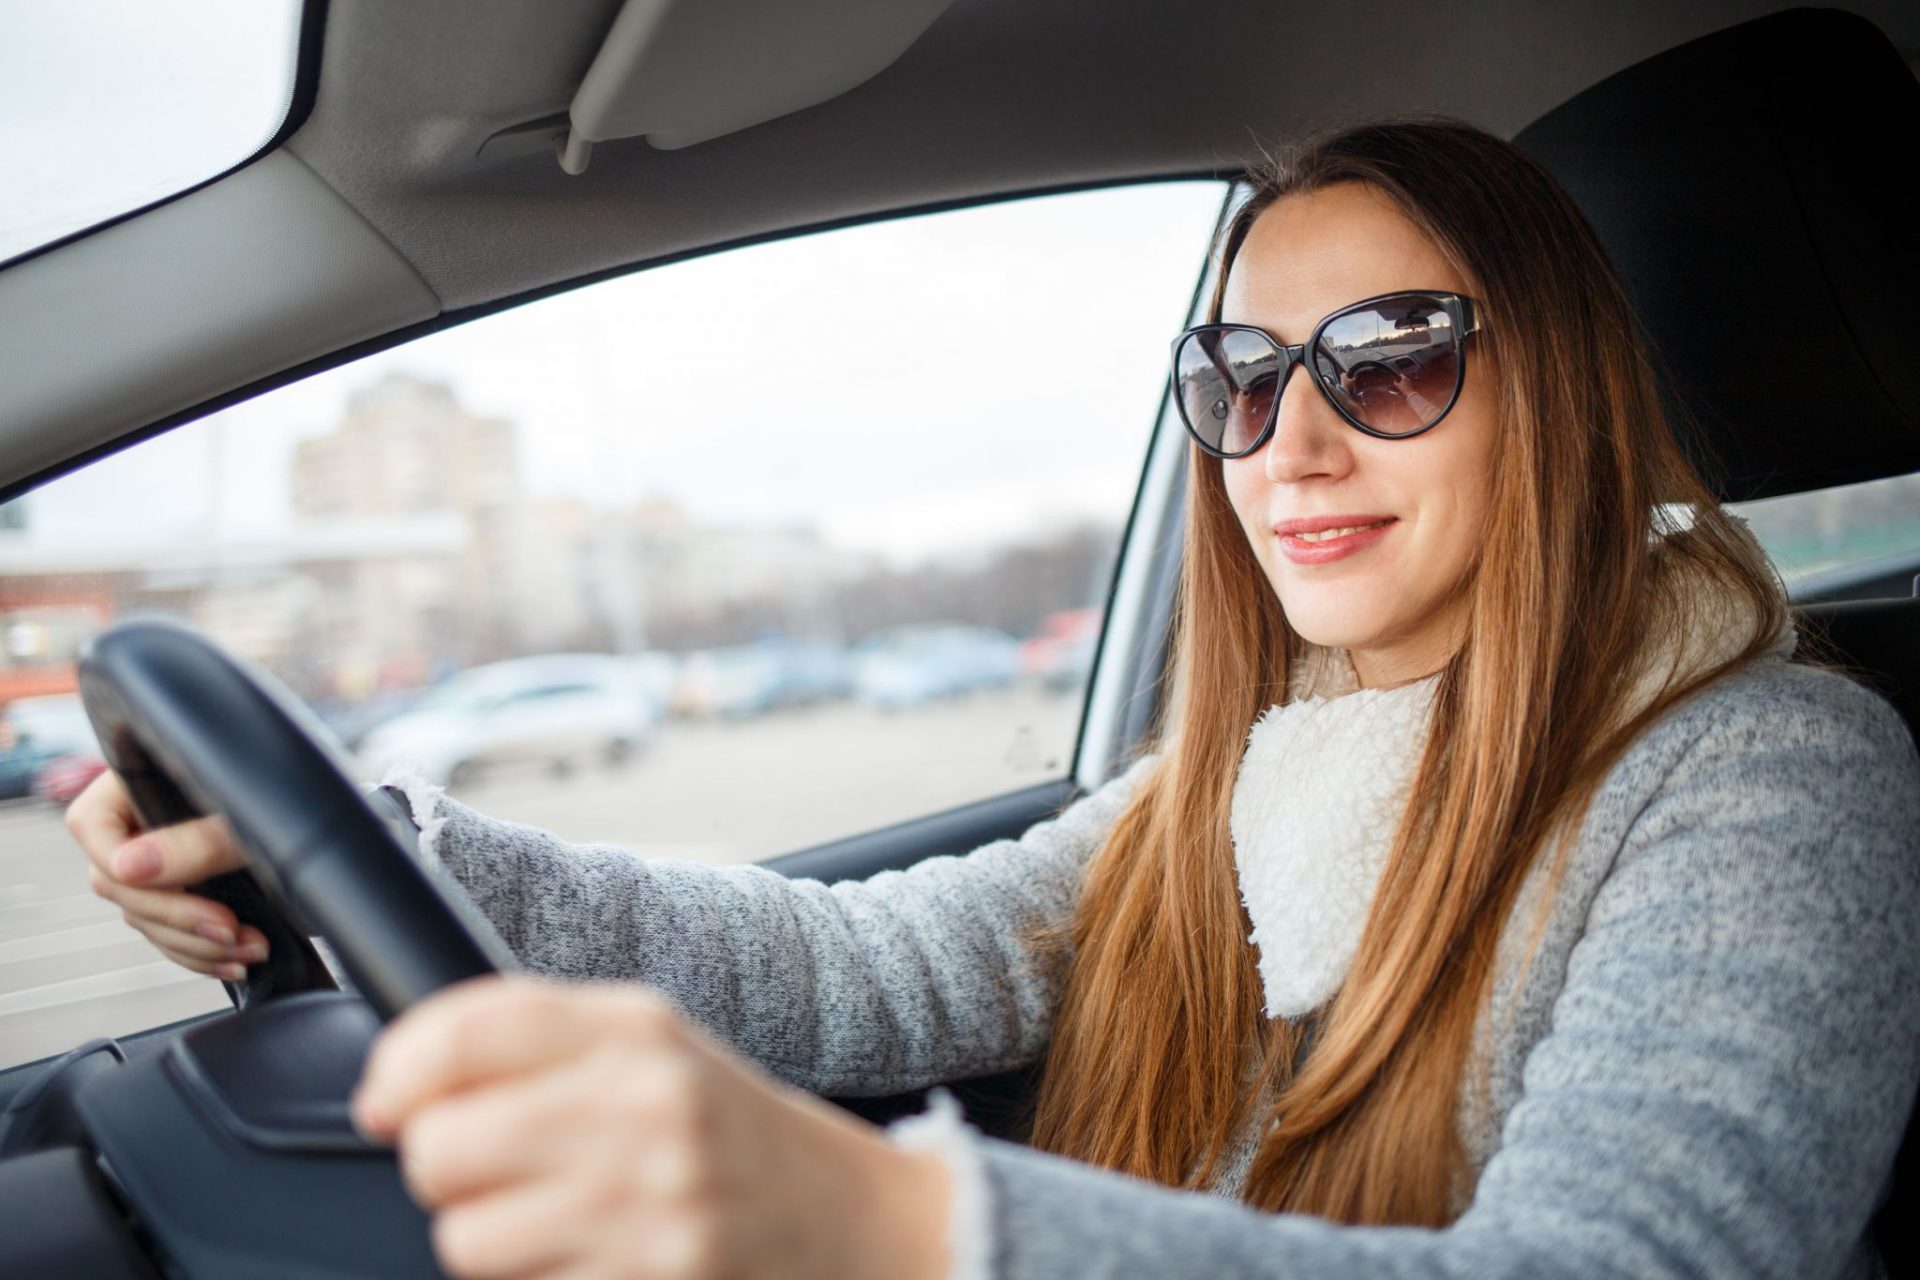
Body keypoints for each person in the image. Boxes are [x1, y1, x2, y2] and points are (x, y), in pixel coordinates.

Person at [65, 119, 1920, 1280]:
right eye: (1247, 378)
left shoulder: (1769, 772)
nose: (1294, 444)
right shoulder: (1242, 778)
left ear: (1569, 395)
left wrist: (899, 1233)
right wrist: (352, 853)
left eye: (1397, 361)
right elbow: (849, 968)